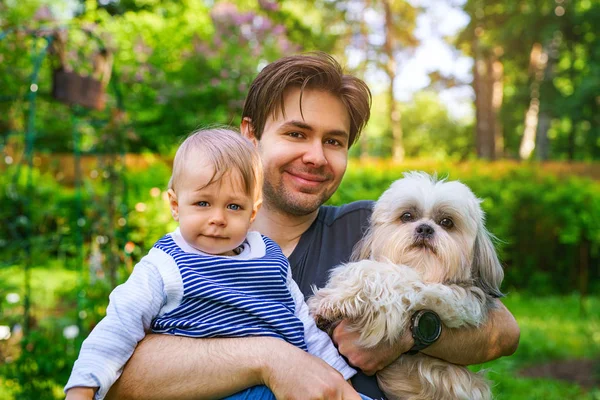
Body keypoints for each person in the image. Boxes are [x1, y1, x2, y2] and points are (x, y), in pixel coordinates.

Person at [103, 52, 519, 400]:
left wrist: (411, 332)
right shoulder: (195, 245)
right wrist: (271, 359)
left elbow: (501, 331)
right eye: (297, 133)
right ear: (250, 135)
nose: (316, 156)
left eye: (334, 141)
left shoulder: (375, 227)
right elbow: (119, 375)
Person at [64, 128, 368, 400]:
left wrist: (340, 379)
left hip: (286, 386)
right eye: (202, 203)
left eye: (233, 206)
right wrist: (82, 387)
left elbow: (302, 322)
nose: (218, 218)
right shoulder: (166, 265)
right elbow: (118, 326)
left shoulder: (269, 257)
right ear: (174, 204)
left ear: (252, 212)